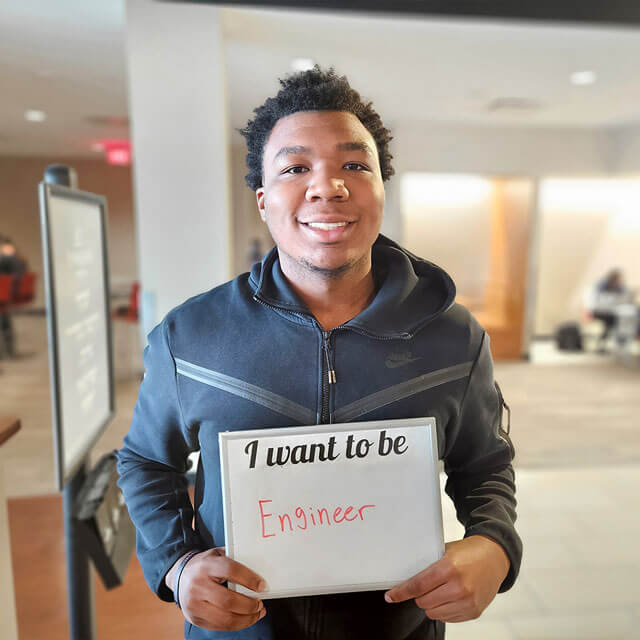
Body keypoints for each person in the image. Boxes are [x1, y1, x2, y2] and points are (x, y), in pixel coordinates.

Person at [117, 67, 521, 640]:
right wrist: (177, 567)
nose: (327, 186)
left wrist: (494, 544)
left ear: (381, 189)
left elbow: (485, 464)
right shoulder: (191, 336)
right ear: (263, 199)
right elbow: (145, 462)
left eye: (355, 165)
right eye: (295, 167)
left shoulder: (453, 336)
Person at [0, 235, 26, 358]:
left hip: (4, 295)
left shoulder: (6, 259)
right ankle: (9, 351)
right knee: (4, 319)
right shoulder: (15, 259)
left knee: (4, 319)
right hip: (6, 297)